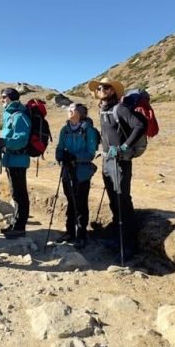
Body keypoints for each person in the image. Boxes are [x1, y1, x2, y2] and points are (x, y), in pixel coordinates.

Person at [89, 76, 145, 260]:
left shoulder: (118, 109)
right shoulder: (104, 110)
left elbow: (139, 126)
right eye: (99, 88)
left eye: (105, 87)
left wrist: (124, 147)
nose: (101, 90)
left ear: (112, 90)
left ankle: (129, 245)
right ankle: (117, 239)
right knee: (114, 201)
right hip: (107, 161)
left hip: (120, 162)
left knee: (122, 201)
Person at [0, 87, 31, 238]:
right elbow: (4, 140)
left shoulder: (19, 116)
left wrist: (6, 143)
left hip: (18, 160)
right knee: (16, 194)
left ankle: (20, 227)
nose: (1, 99)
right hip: (11, 160)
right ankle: (15, 224)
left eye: (3, 97)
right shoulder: (9, 115)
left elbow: (21, 140)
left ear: (11, 98)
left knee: (19, 195)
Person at [54, 103, 98, 249]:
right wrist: (60, 157)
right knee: (70, 202)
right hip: (67, 172)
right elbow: (59, 147)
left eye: (72, 109)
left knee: (81, 203)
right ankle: (70, 232)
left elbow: (91, 153)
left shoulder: (88, 130)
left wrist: (74, 157)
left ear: (80, 113)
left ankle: (81, 234)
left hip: (82, 173)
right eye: (69, 109)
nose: (69, 111)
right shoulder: (64, 130)